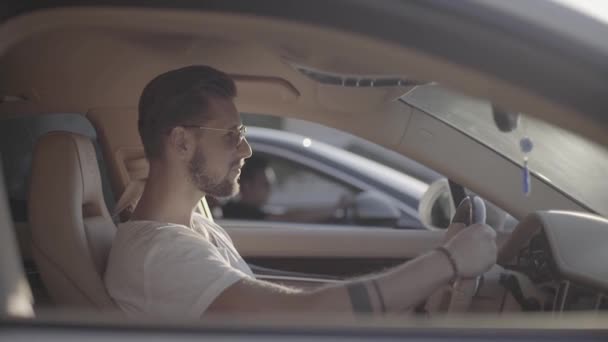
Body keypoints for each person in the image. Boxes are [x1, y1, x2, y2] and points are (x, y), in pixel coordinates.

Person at [104, 65, 497, 320]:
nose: (246, 150)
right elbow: (300, 312)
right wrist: (447, 261)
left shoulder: (194, 228)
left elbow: (284, 299)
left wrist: (414, 291)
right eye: (231, 136)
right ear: (181, 142)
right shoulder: (157, 254)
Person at [221, 154, 350, 222]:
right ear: (248, 186)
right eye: (266, 184)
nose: (271, 189)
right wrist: (335, 208)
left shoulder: (243, 209)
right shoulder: (239, 212)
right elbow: (289, 218)